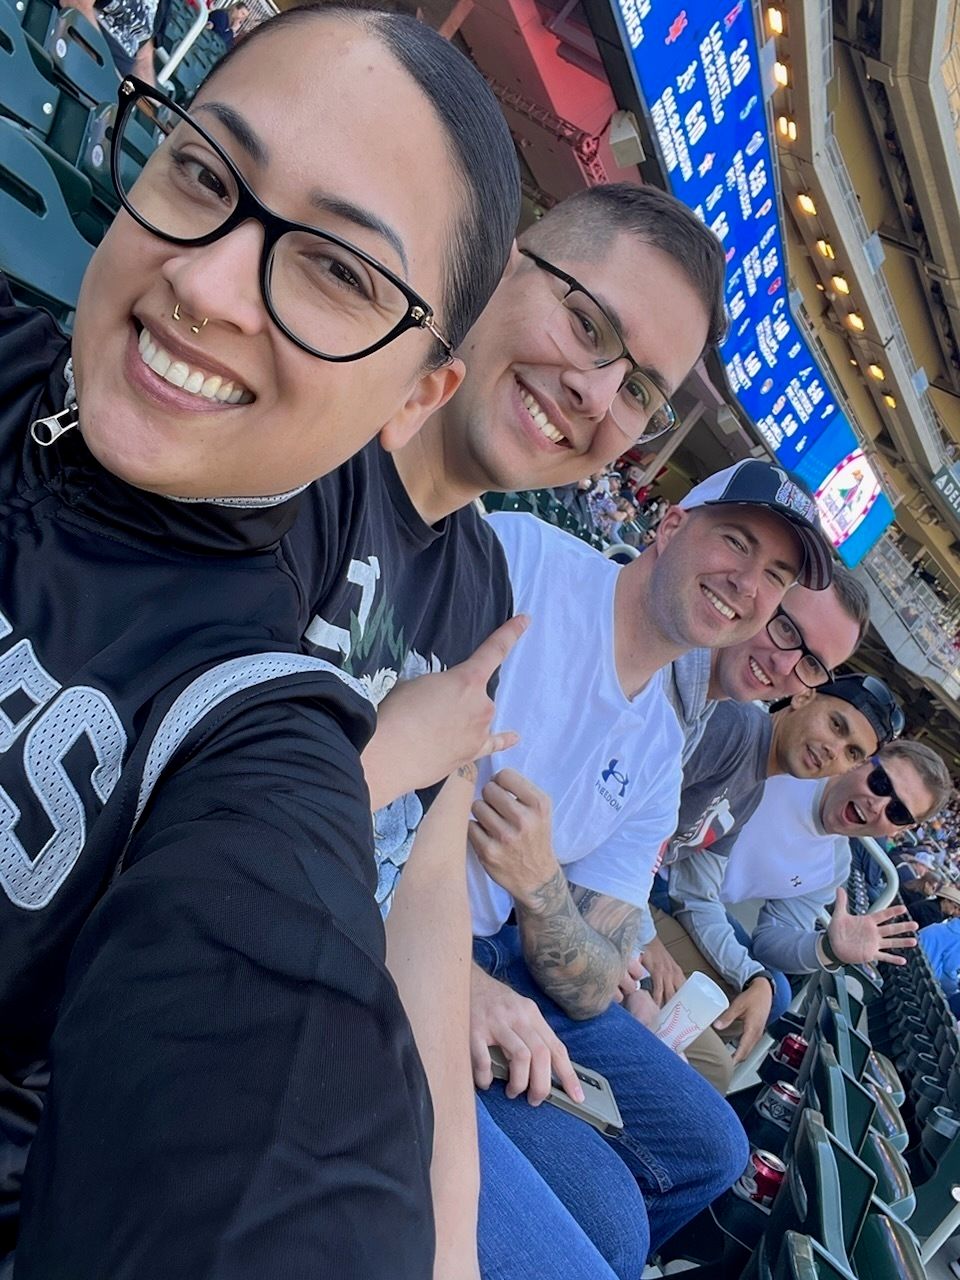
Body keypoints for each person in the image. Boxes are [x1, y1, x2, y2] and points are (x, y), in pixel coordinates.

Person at [0, 7, 521, 1276]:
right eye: (202, 172)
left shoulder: (252, 731)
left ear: (415, 394)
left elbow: (274, 1111)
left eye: (338, 270)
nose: (207, 281)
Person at [464, 458, 834, 1269]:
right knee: (612, 1230)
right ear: (670, 526)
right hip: (410, 938)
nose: (747, 585)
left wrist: (541, 889)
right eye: (735, 543)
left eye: (775, 577)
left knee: (714, 1149)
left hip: (509, 955)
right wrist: (454, 976)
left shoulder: (663, 747)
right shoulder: (526, 565)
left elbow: (594, 975)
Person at [654, 740, 951, 1089]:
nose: (878, 804)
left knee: (774, 995)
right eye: (881, 783)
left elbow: (771, 939)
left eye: (897, 812)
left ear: (898, 831)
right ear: (861, 763)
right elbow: (695, 893)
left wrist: (827, 948)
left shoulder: (835, 864)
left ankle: (667, 1033)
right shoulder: (791, 770)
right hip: (661, 875)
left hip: (696, 904)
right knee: (729, 1045)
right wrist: (753, 976)